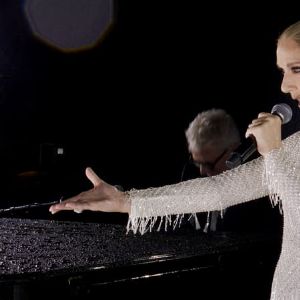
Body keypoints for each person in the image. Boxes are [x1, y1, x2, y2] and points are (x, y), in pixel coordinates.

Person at [49, 20, 300, 299]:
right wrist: (126, 201)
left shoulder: (280, 152)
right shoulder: (295, 146)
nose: (285, 85)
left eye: (296, 69)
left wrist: (274, 154)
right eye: (282, 71)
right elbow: (220, 190)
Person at [183, 108, 240, 231]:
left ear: (232, 152)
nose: (202, 172)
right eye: (197, 163)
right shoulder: (190, 174)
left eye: (209, 163)